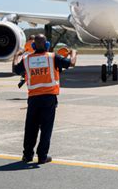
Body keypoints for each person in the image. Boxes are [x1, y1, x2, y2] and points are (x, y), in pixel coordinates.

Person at [12, 34, 77, 164]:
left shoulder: (27, 59)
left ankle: (27, 155)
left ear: (34, 46)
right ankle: (42, 156)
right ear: (47, 45)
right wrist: (73, 53)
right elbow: (71, 63)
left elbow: (15, 69)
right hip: (49, 98)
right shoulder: (52, 57)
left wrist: (17, 55)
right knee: (46, 128)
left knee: (31, 127)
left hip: (33, 99)